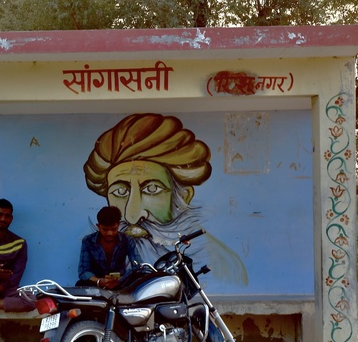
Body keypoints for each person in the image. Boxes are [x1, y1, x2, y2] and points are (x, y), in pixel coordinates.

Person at [83, 112, 248, 286]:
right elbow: (84, 270)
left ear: (183, 197)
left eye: (152, 189)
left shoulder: (221, 264)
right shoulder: (92, 241)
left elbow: (137, 265)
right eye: (120, 192)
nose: (132, 216)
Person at [77, 205, 140, 289]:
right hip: (97, 284)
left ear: (119, 225)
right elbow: (84, 271)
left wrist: (121, 279)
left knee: (138, 282)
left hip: (121, 283)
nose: (109, 233)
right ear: (98, 226)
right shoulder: (88, 241)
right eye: (105, 229)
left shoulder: (127, 240)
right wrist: (99, 281)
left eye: (114, 229)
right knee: (80, 284)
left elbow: (138, 267)